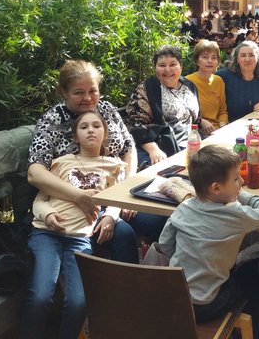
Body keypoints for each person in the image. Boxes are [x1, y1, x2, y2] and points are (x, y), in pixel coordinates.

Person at [28, 60, 162, 264]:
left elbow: (128, 148)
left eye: (93, 91)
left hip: (118, 191)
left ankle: (166, 275)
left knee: (163, 219)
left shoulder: (106, 110)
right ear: (63, 92)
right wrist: (79, 196)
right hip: (76, 202)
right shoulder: (52, 121)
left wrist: (124, 192)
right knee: (122, 235)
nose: (88, 98)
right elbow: (35, 172)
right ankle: (124, 283)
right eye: (79, 92)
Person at [21, 111, 125, 339]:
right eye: (84, 127)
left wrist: (111, 216)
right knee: (40, 296)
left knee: (79, 302)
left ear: (105, 133)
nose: (91, 130)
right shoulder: (62, 162)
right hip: (46, 233)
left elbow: (117, 199)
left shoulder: (115, 166)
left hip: (79, 238)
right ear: (75, 137)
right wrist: (48, 214)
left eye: (96, 126)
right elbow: (40, 199)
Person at [157, 145, 259, 322]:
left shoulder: (183, 207)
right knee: (246, 280)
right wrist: (242, 195)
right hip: (204, 305)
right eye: (236, 179)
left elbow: (164, 245)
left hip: (174, 297)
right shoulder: (235, 215)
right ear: (216, 188)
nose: (241, 182)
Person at [126, 45, 201, 166]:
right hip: (164, 147)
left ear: (181, 66)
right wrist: (153, 150)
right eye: (162, 65)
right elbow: (136, 125)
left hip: (192, 145)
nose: (167, 69)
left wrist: (202, 121)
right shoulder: (148, 88)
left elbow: (192, 117)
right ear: (155, 68)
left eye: (172, 64)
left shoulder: (189, 86)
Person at [215, 40, 259, 121]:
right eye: (243, 55)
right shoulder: (224, 75)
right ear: (237, 59)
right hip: (230, 123)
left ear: (258, 58)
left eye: (251, 55)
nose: (247, 59)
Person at [185, 39, 228, 134]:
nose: (210, 61)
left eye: (214, 57)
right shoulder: (188, 81)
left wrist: (222, 127)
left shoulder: (218, 81)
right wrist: (201, 121)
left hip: (217, 130)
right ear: (197, 61)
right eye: (205, 57)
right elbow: (185, 113)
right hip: (196, 131)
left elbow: (222, 111)